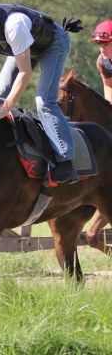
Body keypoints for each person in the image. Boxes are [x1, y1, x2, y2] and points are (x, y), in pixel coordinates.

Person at [0, 0, 82, 184]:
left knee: (44, 101)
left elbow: (25, 72)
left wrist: (8, 105)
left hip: (53, 44)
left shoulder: (13, 25)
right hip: (23, 47)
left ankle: (65, 160)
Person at [85, 19, 112, 244]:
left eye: (106, 44)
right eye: (99, 44)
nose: (102, 48)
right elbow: (109, 88)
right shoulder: (103, 62)